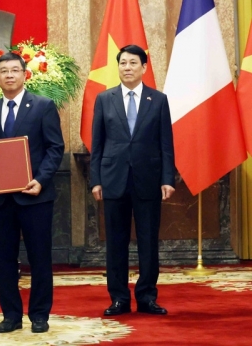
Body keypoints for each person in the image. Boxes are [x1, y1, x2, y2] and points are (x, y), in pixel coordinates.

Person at [0, 52, 64, 334]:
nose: (9, 75)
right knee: (4, 259)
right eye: (4, 71)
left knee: (39, 257)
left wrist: (41, 180)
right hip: (0, 199)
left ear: (25, 74)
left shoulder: (43, 106)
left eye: (15, 70)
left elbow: (55, 148)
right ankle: (11, 315)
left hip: (35, 195)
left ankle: (39, 314)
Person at [90, 44, 175, 317]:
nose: (127, 67)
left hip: (148, 179)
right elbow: (97, 143)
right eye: (123, 63)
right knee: (116, 243)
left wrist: (167, 179)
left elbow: (166, 144)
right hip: (113, 179)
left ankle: (147, 297)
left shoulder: (158, 100)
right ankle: (119, 299)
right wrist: (95, 180)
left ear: (144, 67)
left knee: (148, 242)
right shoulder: (105, 99)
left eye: (133, 63)